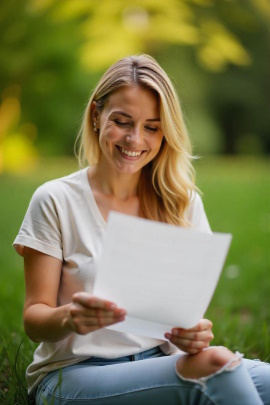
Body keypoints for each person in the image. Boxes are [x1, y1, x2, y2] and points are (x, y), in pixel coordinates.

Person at [14, 54, 270, 405]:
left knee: (242, 372)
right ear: (96, 115)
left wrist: (193, 335)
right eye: (122, 121)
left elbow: (185, 314)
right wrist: (70, 317)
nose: (135, 139)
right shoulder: (55, 199)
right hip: (73, 376)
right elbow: (33, 319)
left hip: (162, 362)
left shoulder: (182, 202)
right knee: (216, 365)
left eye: (152, 127)